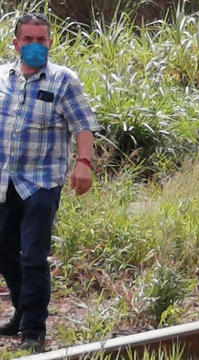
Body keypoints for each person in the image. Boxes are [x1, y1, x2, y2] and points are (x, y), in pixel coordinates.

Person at [0, 13, 100, 352]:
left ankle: (33, 330)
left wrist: (83, 163)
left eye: (41, 40)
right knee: (3, 252)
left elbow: (83, 126)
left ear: (50, 43)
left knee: (33, 255)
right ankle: (20, 309)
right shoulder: (3, 76)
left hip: (42, 182)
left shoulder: (63, 81)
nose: (34, 46)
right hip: (4, 180)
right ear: (15, 44)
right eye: (27, 40)